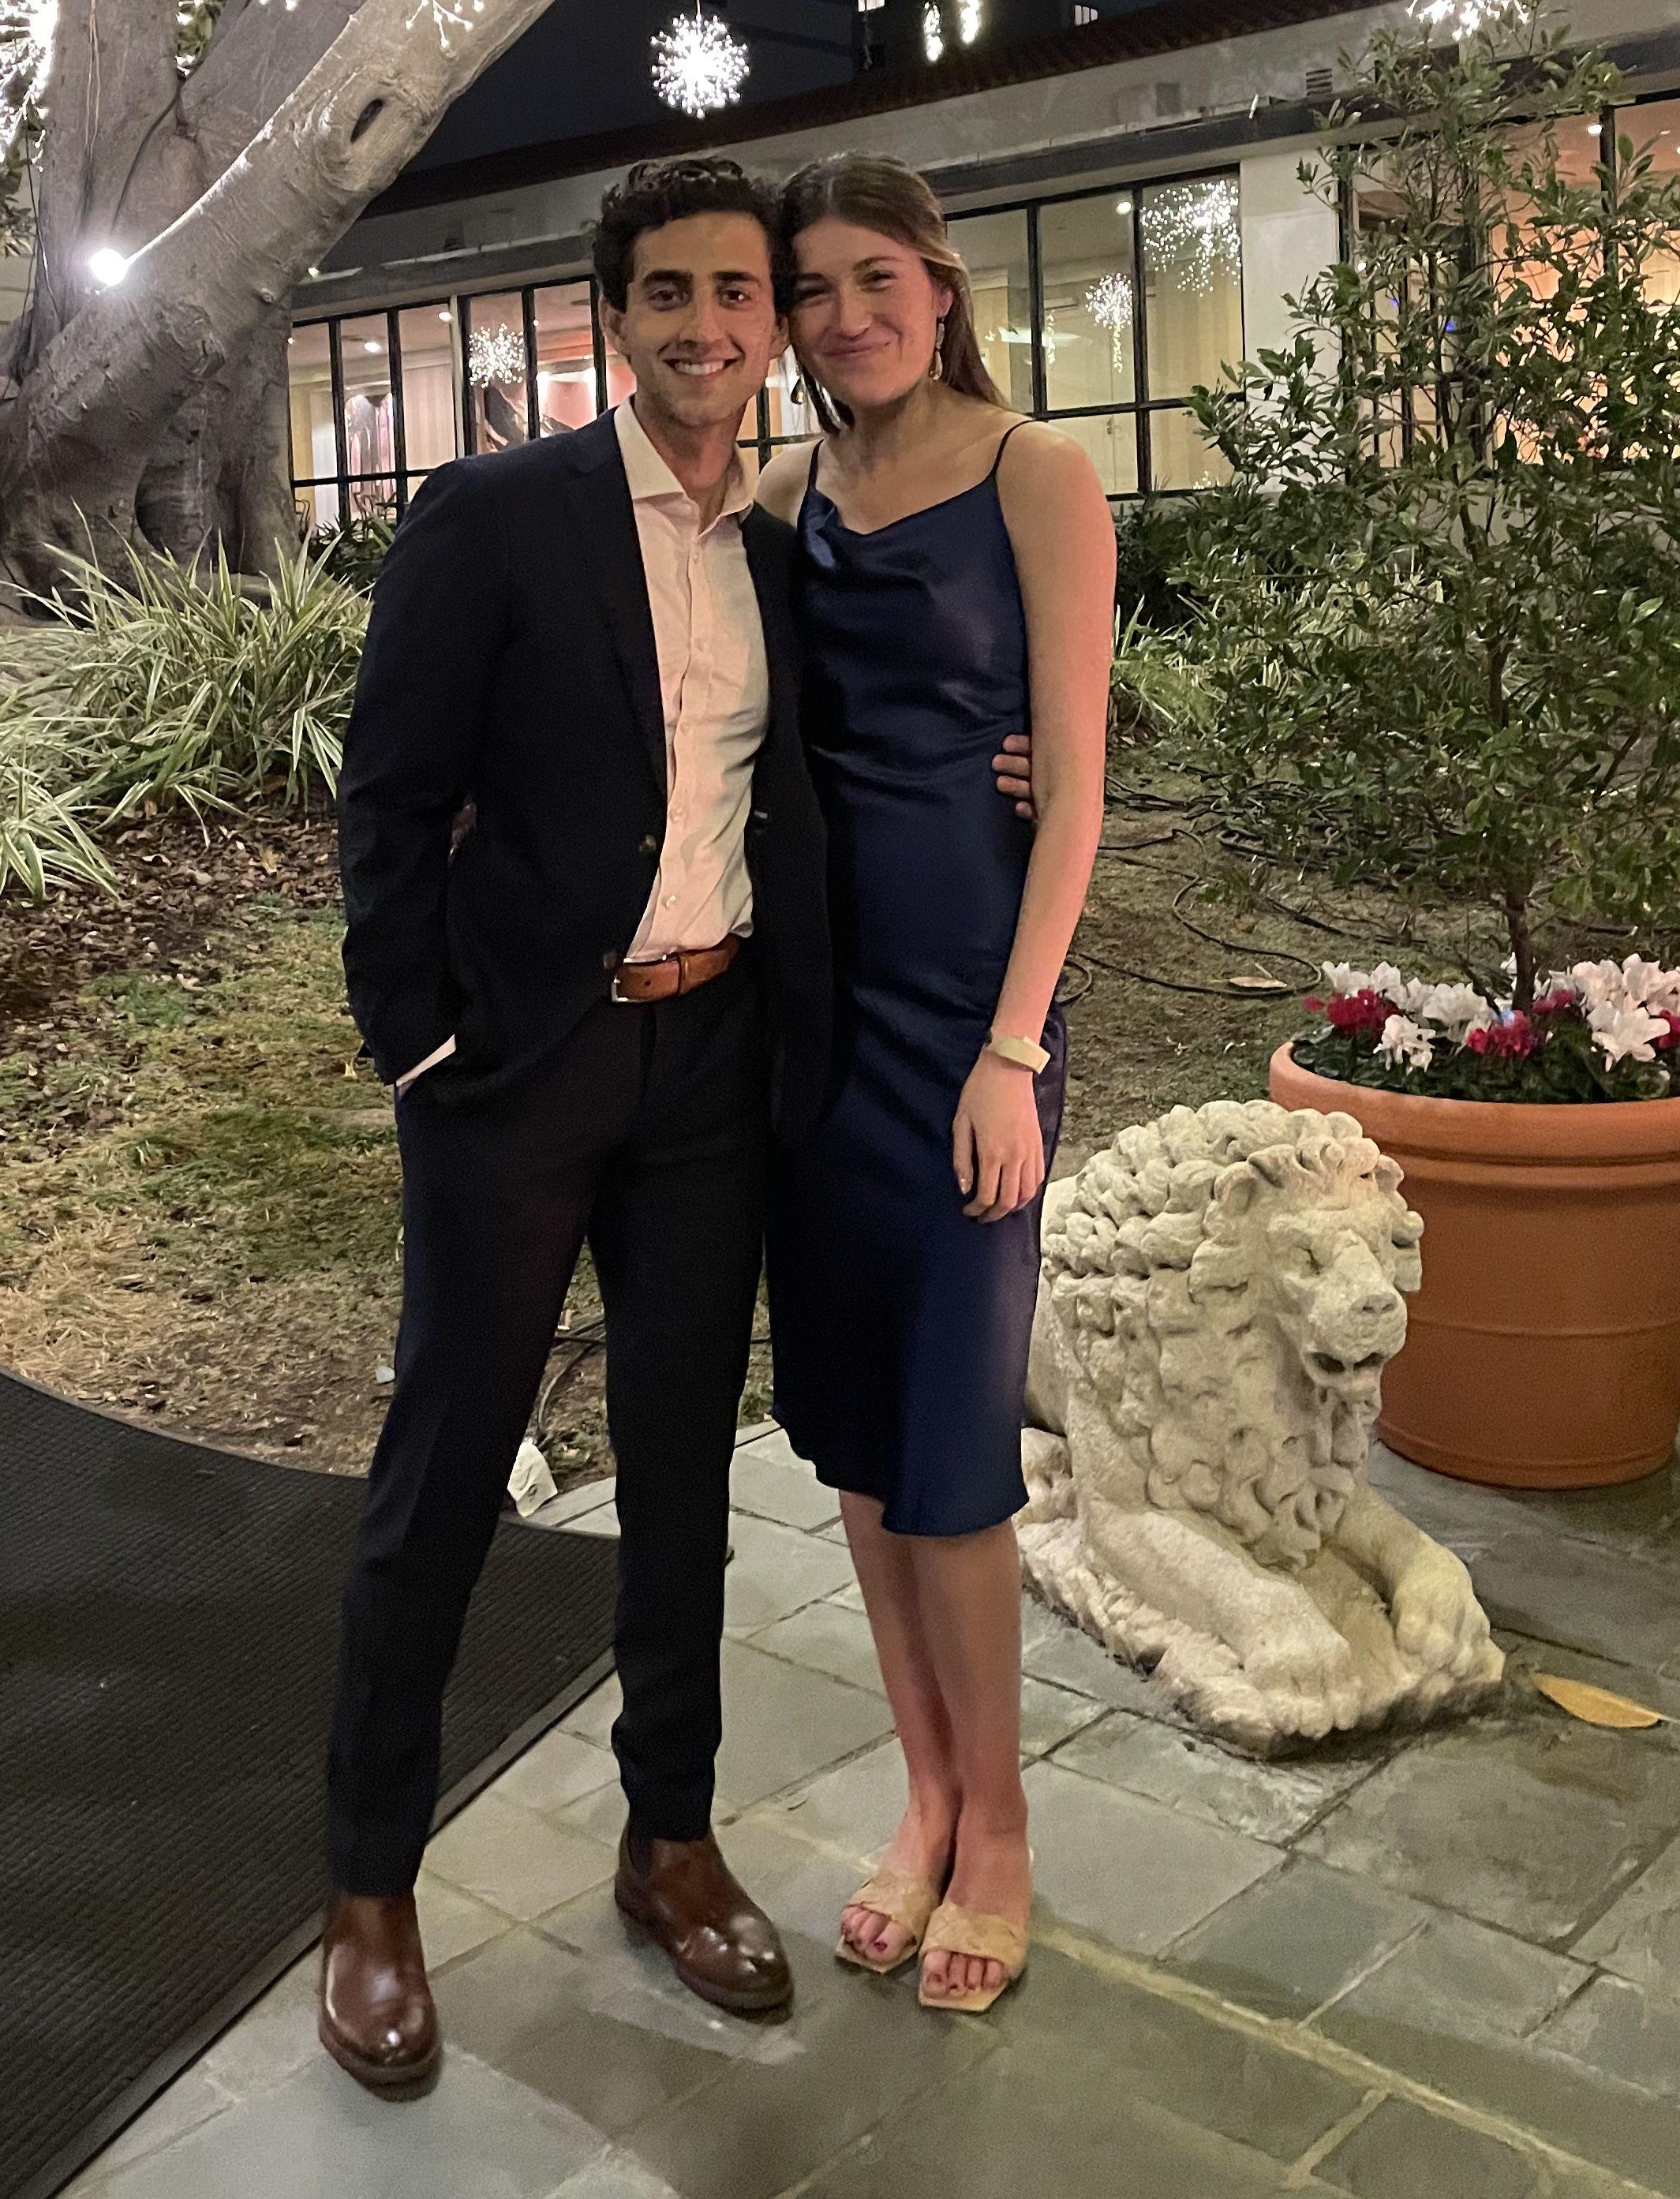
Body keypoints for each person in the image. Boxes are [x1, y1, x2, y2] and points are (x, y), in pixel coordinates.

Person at [316, 153, 1035, 2096]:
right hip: (519, 1072)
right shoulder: (500, 517)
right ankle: (370, 1889)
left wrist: (1026, 756)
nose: (713, 328)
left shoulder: (787, 535)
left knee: (682, 1481)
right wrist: (417, 1047)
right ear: (614, 317)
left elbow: (883, 717)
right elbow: (388, 801)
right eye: (673, 294)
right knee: (446, 1468)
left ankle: (670, 1839)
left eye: (742, 293)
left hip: (718, 1070)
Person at [755, 154, 1116, 2018]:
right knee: (858, 1444)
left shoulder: (1039, 475)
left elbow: (1078, 793)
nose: (845, 317)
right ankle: (925, 1795)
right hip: (811, 1027)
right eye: (811, 289)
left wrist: (1014, 1051)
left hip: (972, 1025)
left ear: (941, 282)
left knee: (954, 1460)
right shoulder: (781, 498)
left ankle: (1007, 1832)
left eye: (873, 277)